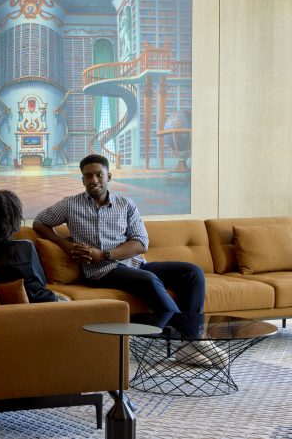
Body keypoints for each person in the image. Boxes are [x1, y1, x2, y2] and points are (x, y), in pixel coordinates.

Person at [33, 153, 219, 365]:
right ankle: (194, 338)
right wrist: (64, 245)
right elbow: (40, 222)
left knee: (192, 272)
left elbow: (141, 243)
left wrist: (104, 253)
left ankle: (188, 343)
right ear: (82, 180)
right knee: (148, 280)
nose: (93, 180)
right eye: (88, 176)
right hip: (100, 272)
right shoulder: (70, 205)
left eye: (98, 175)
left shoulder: (126, 205)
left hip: (135, 264)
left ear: (108, 176)